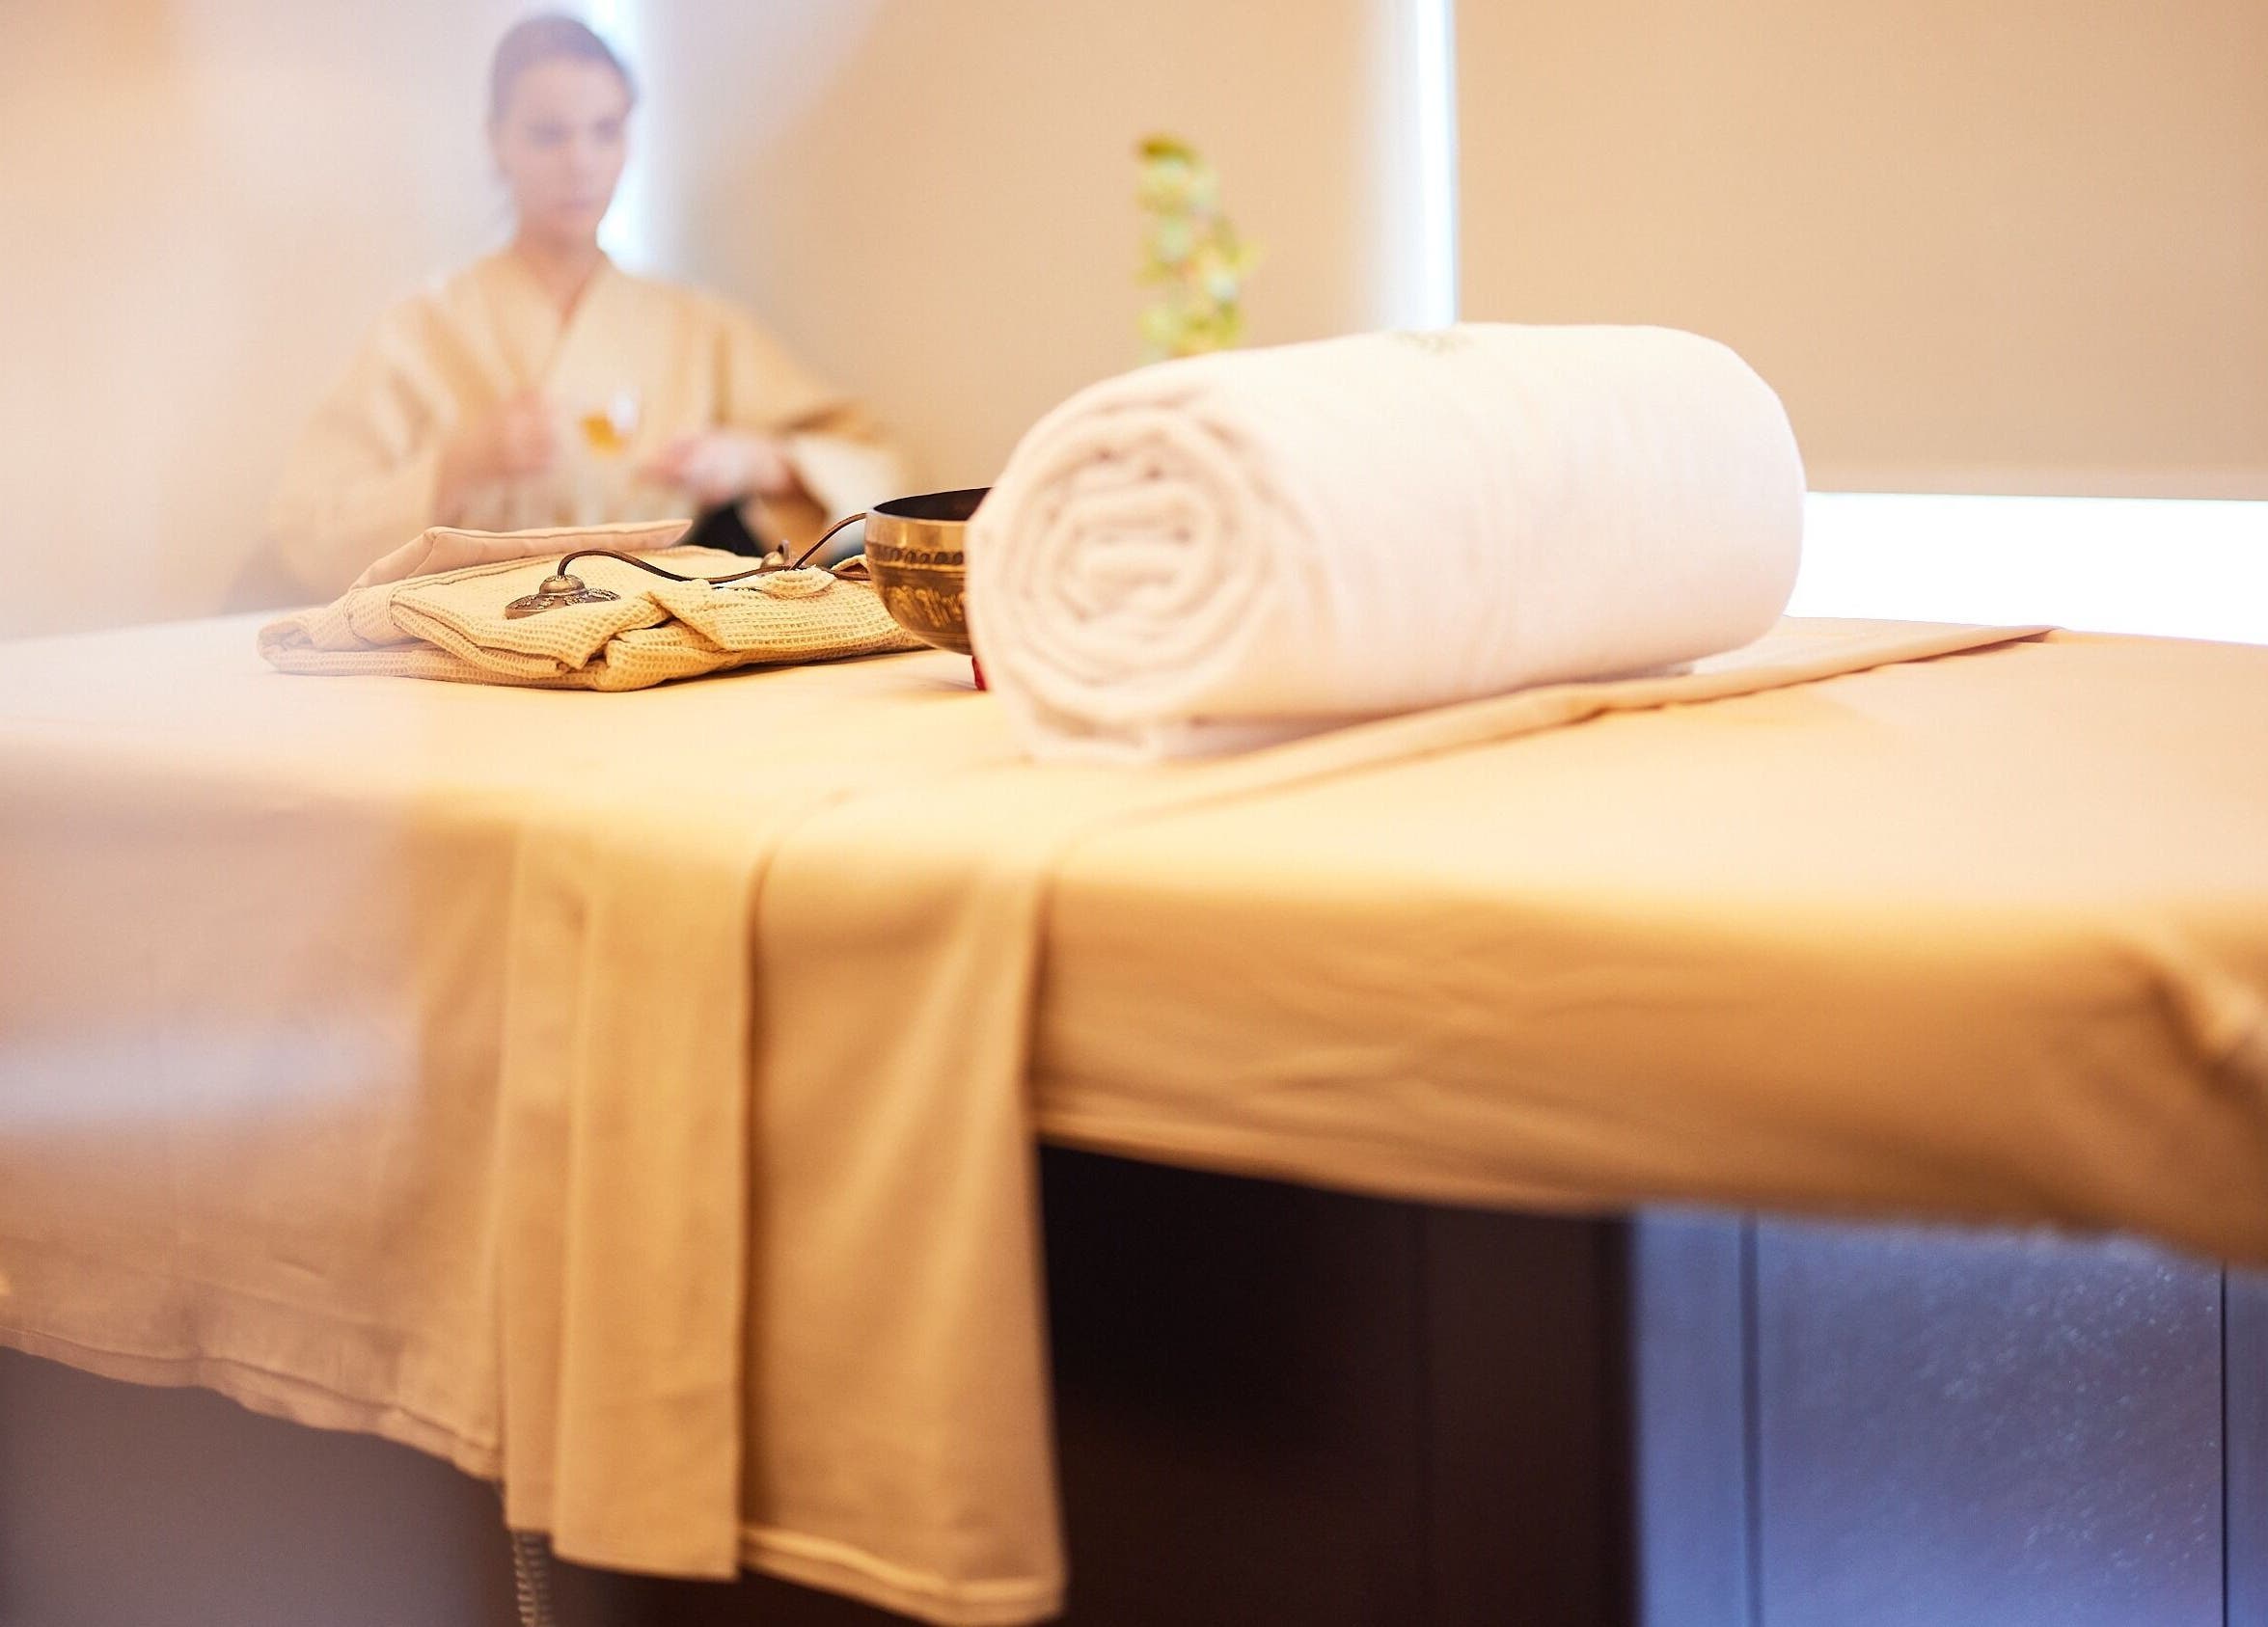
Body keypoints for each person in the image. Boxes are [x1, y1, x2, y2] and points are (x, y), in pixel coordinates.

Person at [265, 14, 901, 599]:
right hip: (470, 638)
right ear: (496, 141)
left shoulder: (694, 326)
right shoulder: (423, 329)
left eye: (605, 131)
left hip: (654, 630)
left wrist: (756, 462)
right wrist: (461, 461)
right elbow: (307, 534)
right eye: (548, 135)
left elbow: (879, 470)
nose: (581, 163)